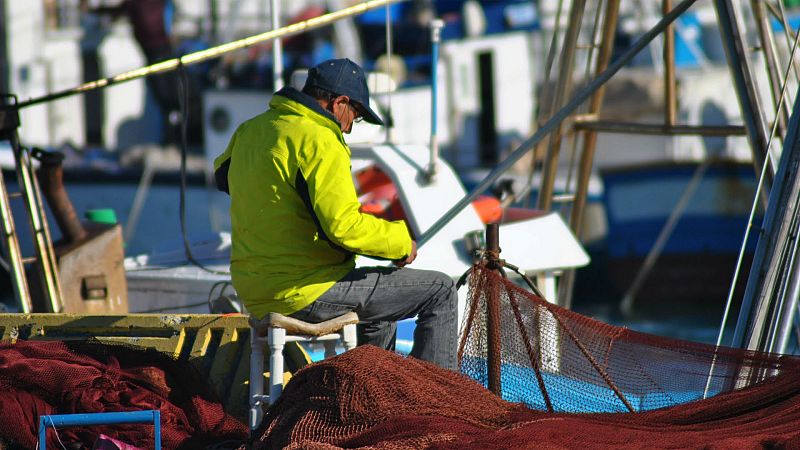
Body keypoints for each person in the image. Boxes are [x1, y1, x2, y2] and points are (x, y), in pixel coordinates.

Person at [213, 58, 458, 370]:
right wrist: (400, 242)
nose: (350, 127)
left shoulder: (251, 129)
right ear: (339, 102)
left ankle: (368, 402)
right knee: (440, 291)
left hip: (254, 287)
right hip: (302, 289)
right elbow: (343, 227)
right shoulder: (319, 138)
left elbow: (222, 176)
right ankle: (437, 407)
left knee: (381, 313)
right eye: (354, 115)